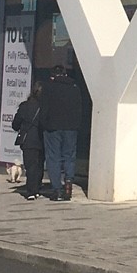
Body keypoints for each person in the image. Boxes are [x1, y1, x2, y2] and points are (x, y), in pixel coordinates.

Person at [39, 64, 85, 201]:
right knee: (69, 156)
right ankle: (69, 182)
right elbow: (80, 109)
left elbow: (44, 109)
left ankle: (56, 188)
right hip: (71, 128)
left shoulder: (48, 88)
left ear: (52, 76)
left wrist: (44, 124)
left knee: (53, 157)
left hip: (52, 127)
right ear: (65, 74)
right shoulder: (75, 89)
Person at [12, 83, 46, 200]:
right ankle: (37, 188)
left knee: (30, 165)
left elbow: (15, 124)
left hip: (28, 140)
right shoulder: (45, 107)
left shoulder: (24, 106)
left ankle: (31, 191)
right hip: (42, 139)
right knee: (39, 164)